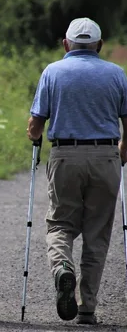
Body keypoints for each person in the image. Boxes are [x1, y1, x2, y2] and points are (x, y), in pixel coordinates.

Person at [27, 17, 127, 325]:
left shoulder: (53, 71)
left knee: (60, 225)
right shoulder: (117, 74)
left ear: (66, 44)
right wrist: (120, 155)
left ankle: (62, 269)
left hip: (66, 156)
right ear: (99, 45)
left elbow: (35, 125)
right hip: (106, 155)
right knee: (97, 234)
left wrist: (34, 136)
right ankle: (87, 308)